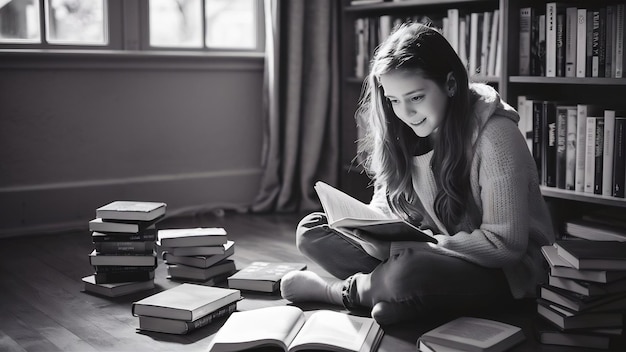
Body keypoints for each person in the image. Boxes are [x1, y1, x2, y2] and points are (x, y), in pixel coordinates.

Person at [280, 22, 555, 325]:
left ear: (450, 84)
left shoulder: (495, 135)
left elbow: (506, 246)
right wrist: (367, 230)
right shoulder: (405, 130)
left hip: (505, 270)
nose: (405, 113)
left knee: (408, 272)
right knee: (313, 229)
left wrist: (417, 248)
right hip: (431, 247)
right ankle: (399, 295)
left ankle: (345, 291)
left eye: (416, 97)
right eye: (394, 100)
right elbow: (387, 207)